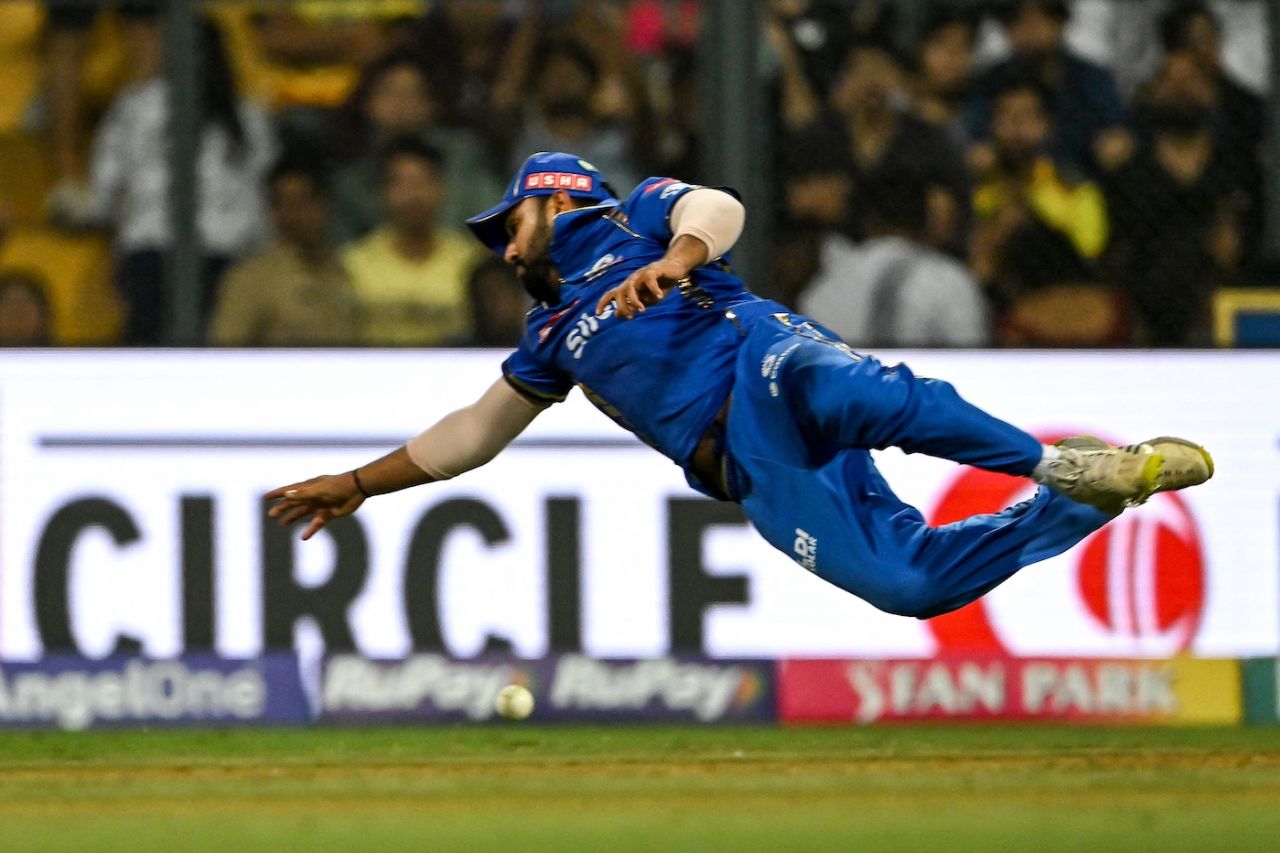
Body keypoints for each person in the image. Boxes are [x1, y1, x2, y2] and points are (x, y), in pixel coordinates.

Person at [266, 151, 1213, 622]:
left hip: (762, 362)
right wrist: (358, 483)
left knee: (858, 394)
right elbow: (472, 434)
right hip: (753, 469)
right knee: (909, 585)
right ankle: (1094, 494)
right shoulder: (547, 337)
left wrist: (677, 260)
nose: (504, 250)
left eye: (507, 225)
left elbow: (718, 207)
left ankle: (1058, 465)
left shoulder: (629, 218)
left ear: (556, 197)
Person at [798, 170, 989, 348]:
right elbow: (972, 358)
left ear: (868, 219)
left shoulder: (825, 284)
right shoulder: (949, 279)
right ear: (925, 218)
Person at [340, 136, 485, 346]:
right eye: (401, 184)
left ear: (441, 190)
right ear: (382, 193)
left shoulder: (470, 261)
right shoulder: (352, 263)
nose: (412, 195)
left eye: (421, 182)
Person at [208, 158, 359, 347]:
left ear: (324, 206)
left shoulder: (347, 271)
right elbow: (225, 352)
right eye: (280, 203)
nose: (290, 214)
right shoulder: (249, 280)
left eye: (301, 202)